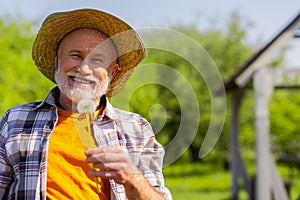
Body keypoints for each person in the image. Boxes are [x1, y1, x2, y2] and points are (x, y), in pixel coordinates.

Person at [0, 8, 172, 200]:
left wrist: (133, 178)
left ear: (113, 72)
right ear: (58, 60)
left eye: (97, 60)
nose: (83, 69)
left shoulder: (136, 129)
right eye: (75, 55)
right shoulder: (15, 120)